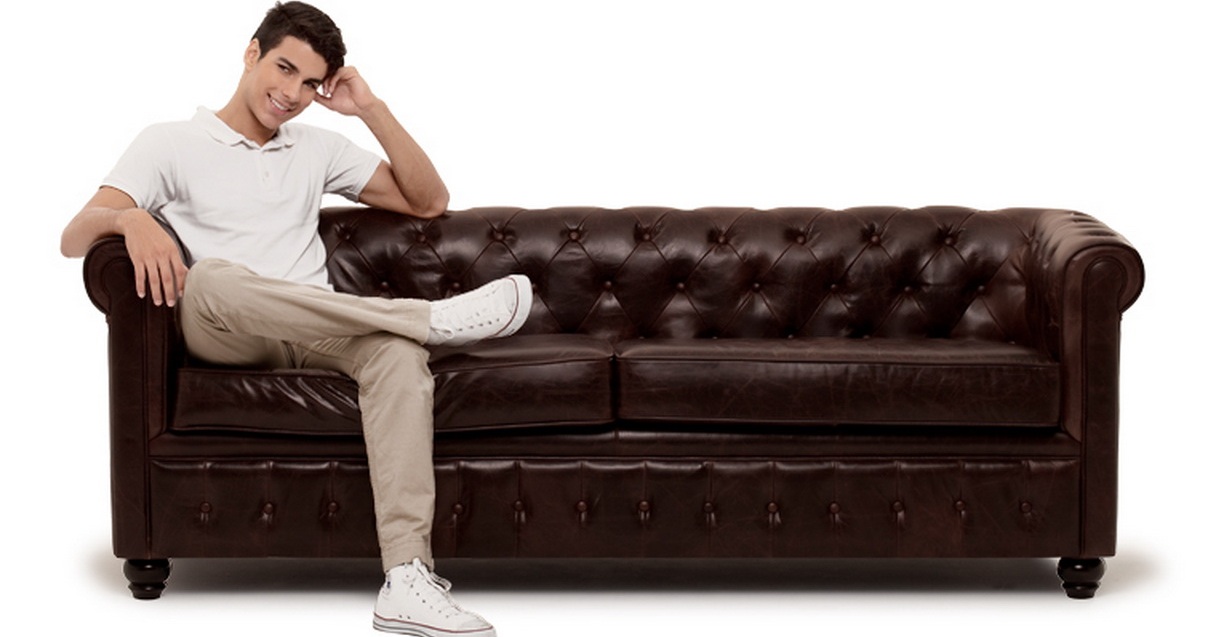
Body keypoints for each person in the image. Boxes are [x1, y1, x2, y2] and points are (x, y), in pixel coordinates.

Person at [59, 3, 523, 635]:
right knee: (213, 276)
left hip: (315, 330)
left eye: (310, 83)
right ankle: (425, 318)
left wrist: (371, 109)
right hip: (227, 328)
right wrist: (130, 217)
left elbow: (429, 200)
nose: (292, 94)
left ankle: (406, 579)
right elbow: (74, 234)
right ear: (251, 52)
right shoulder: (170, 142)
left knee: (397, 353)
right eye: (284, 69)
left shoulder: (316, 147)